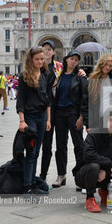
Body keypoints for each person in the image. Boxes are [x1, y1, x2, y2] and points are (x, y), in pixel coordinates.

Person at [73, 110, 112, 213]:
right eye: (109, 120)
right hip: (85, 175)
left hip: (105, 176)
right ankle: (90, 198)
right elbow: (87, 154)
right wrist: (108, 163)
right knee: (94, 166)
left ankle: (105, 192)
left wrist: (106, 171)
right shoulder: (93, 134)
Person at [16, 46, 52, 194]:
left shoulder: (45, 75)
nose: (40, 61)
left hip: (42, 116)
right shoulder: (24, 76)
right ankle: (27, 186)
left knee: (37, 151)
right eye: (37, 59)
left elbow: (48, 99)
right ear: (31, 60)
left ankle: (32, 182)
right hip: (29, 117)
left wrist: (49, 119)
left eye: (42, 59)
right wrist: (21, 121)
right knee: (31, 151)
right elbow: (21, 100)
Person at [52, 50, 88, 188]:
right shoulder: (59, 76)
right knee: (60, 146)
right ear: (66, 60)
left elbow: (85, 99)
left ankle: (80, 176)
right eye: (71, 59)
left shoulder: (80, 77)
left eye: (76, 60)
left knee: (78, 145)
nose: (74, 61)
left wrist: (81, 117)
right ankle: (61, 175)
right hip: (60, 113)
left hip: (74, 113)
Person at [39, 40, 63, 181]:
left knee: (61, 143)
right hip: (44, 108)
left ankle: (61, 174)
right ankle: (43, 175)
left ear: (54, 52)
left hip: (58, 108)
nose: (47, 51)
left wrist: (81, 72)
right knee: (46, 144)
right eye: (44, 49)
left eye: (49, 49)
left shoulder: (60, 67)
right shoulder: (38, 66)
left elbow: (71, 74)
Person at [88, 54, 112, 130]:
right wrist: (89, 124)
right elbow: (90, 104)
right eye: (106, 64)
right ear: (101, 64)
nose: (107, 67)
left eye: (110, 66)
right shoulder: (93, 80)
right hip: (99, 117)